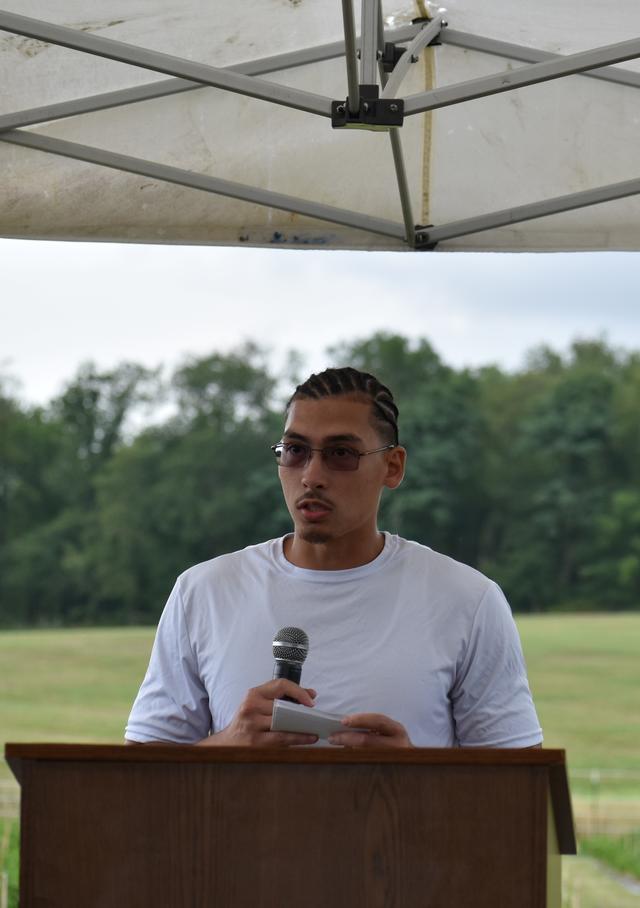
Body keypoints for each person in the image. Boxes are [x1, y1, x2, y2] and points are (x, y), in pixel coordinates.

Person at [125, 367, 542, 749]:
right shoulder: (203, 592)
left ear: (392, 467)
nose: (311, 476)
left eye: (341, 453)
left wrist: (417, 777)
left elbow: (516, 792)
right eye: (295, 450)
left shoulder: (467, 601)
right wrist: (229, 745)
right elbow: (140, 778)